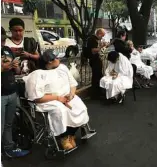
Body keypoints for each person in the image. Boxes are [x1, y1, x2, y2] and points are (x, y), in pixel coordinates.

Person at [23, 49, 94, 150]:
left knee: (79, 106)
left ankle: (71, 134)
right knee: (60, 110)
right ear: (49, 62)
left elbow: (72, 84)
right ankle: (63, 137)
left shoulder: (62, 68)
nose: (59, 59)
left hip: (66, 97)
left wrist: (71, 95)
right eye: (56, 58)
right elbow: (37, 97)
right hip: (48, 101)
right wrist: (57, 98)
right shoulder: (37, 75)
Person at [1, 27, 30, 158]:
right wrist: (3, 68)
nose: (2, 42)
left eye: (2, 39)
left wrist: (16, 66)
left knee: (9, 123)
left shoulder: (6, 50)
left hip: (12, 91)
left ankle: (9, 148)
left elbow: (16, 71)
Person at [87, 28, 106, 99]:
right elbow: (93, 50)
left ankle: (98, 93)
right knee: (96, 77)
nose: (102, 37)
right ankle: (95, 94)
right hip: (94, 60)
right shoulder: (92, 39)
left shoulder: (96, 39)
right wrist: (101, 46)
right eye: (102, 35)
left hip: (97, 59)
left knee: (99, 76)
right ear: (99, 34)